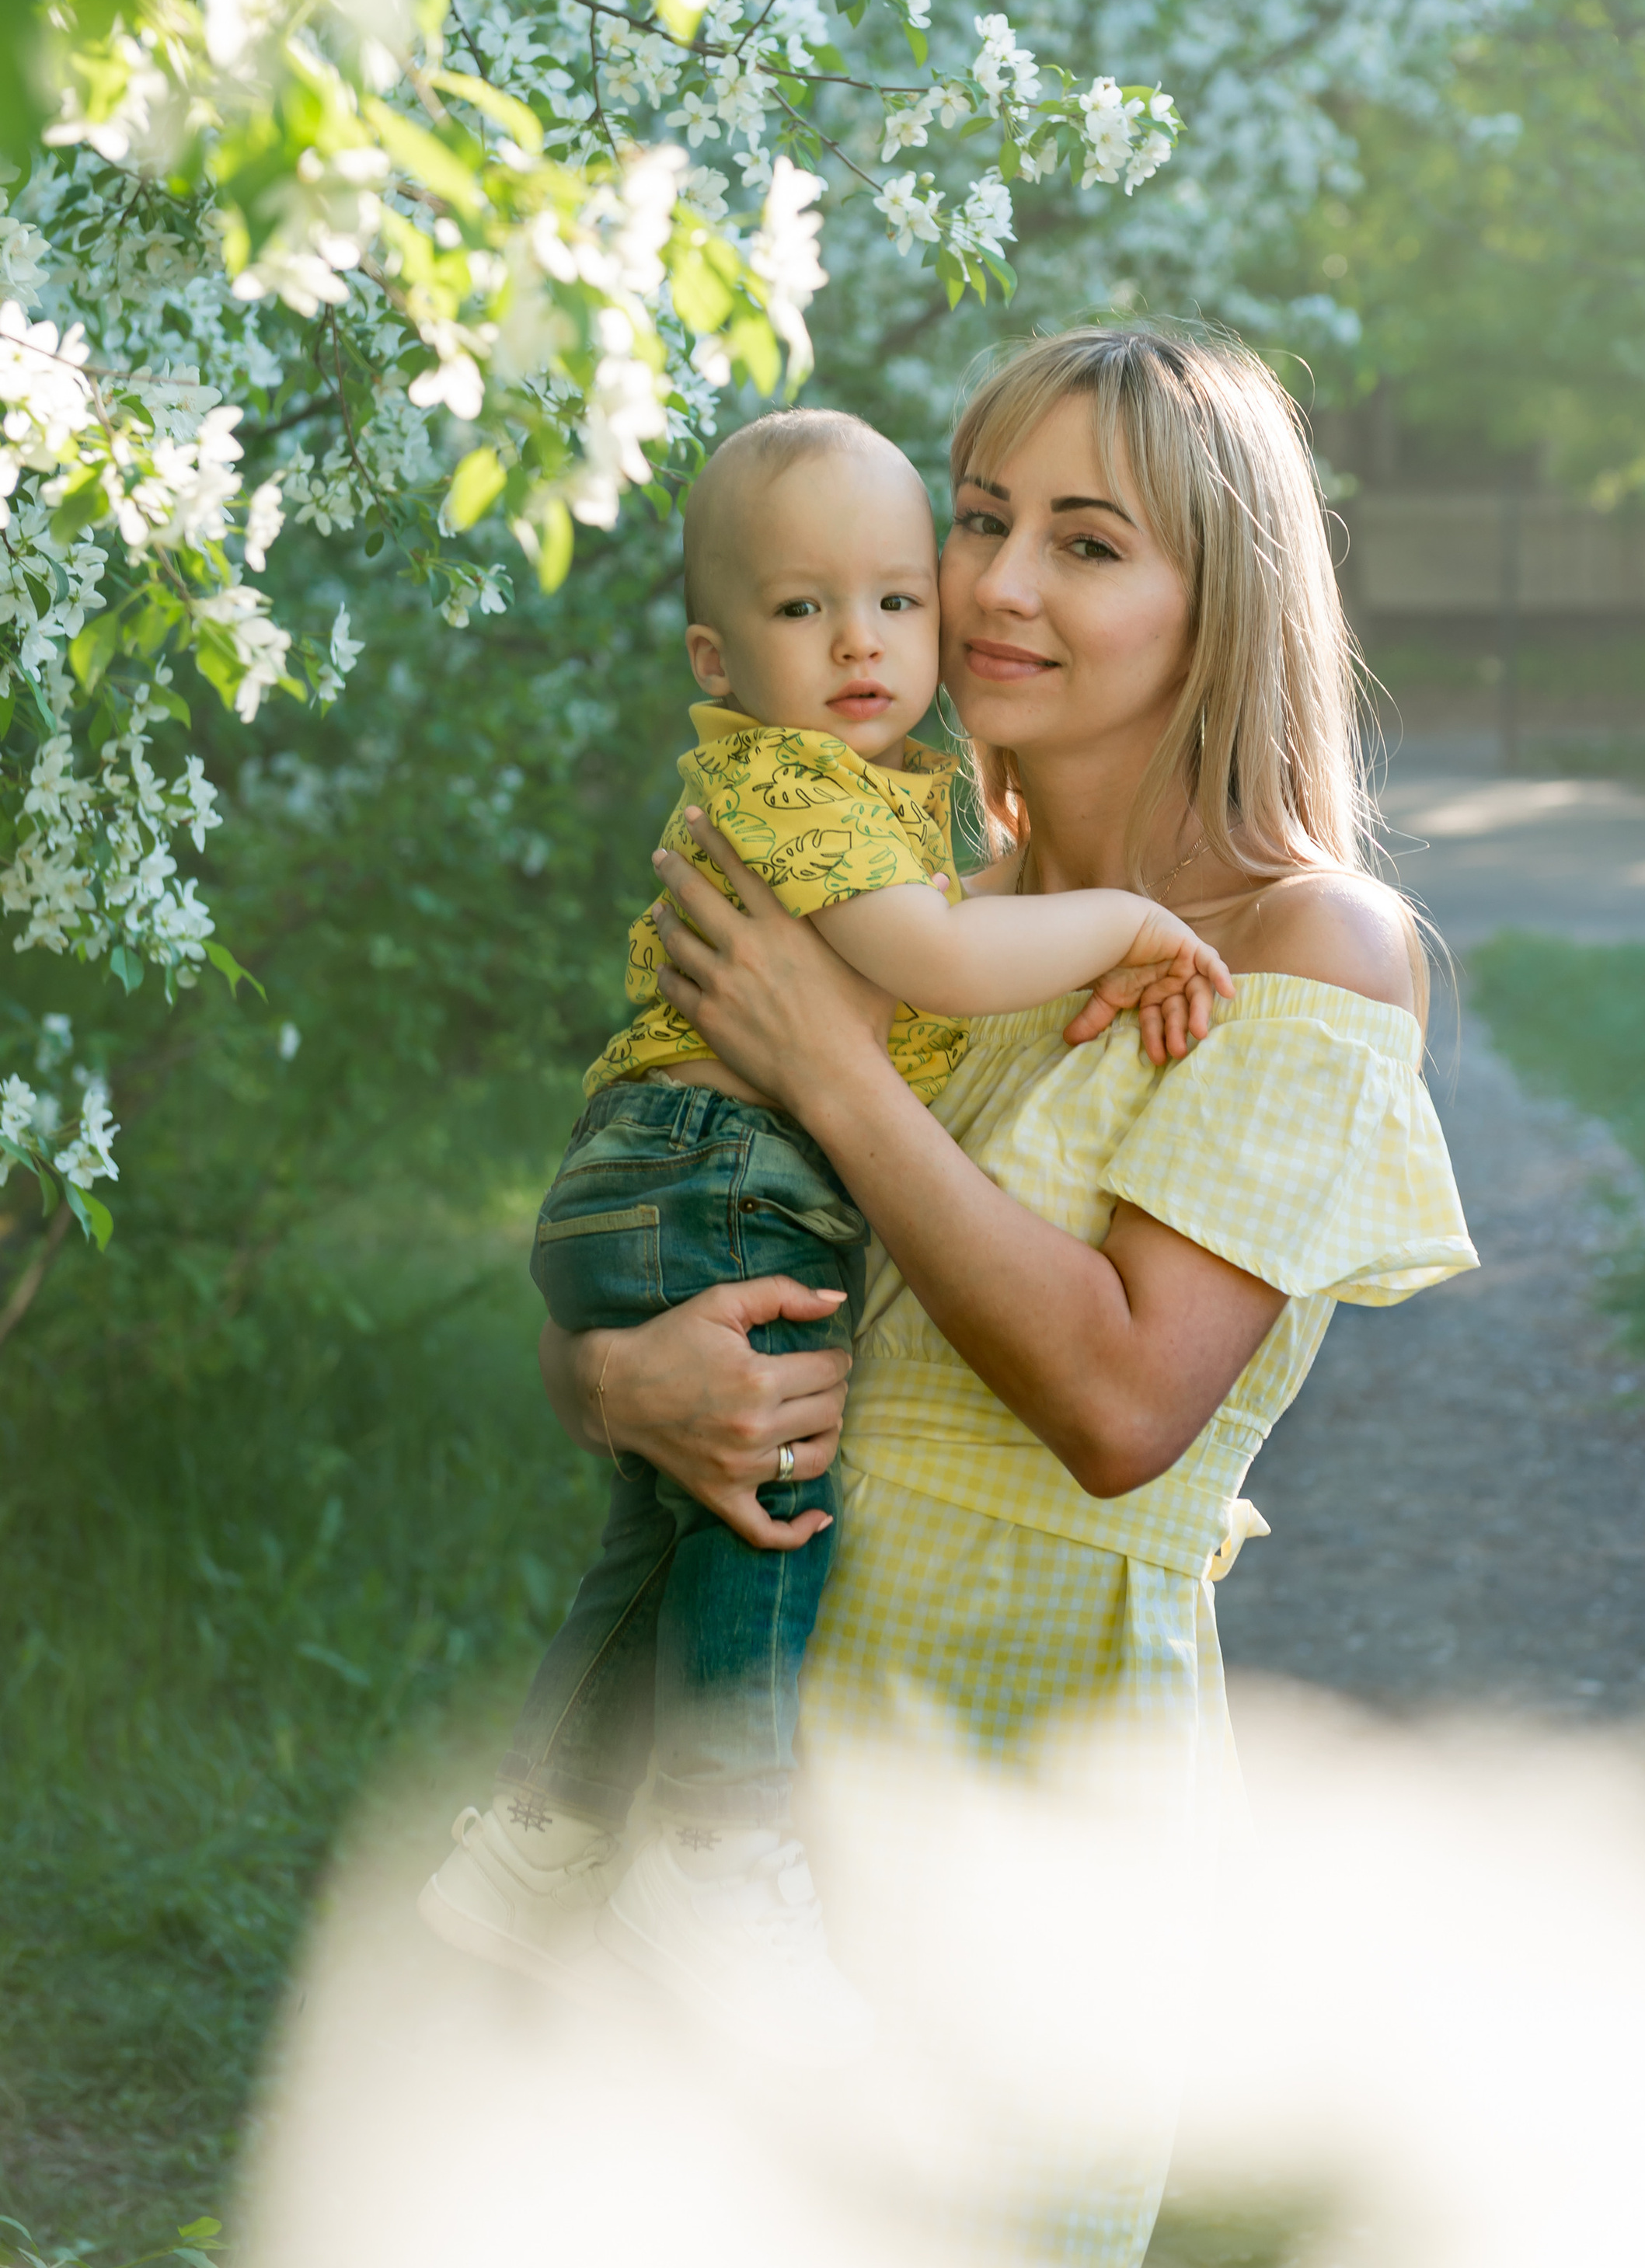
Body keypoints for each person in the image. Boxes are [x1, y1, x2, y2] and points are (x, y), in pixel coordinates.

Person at [535, 325, 1477, 2268]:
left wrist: (839, 1068)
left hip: (1025, 1795)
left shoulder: (1311, 942)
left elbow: (1124, 1398)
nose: (997, 587)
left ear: (1217, 600)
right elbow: (673, 1227)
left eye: (1088, 541)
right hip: (751, 1787)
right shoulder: (926, 912)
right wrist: (618, 1379)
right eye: (977, 521)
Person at [418, 405, 1232, 2054]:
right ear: (720, 661)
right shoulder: (800, 792)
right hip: (721, 1163)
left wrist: (604, 1372)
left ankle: (541, 1830)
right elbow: (925, 965)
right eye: (803, 612)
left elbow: (1128, 1404)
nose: (862, 640)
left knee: (672, 1529)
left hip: (676, 1174)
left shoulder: (909, 801)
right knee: (771, 1512)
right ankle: (718, 1853)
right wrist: (1127, 929)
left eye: (888, 601)